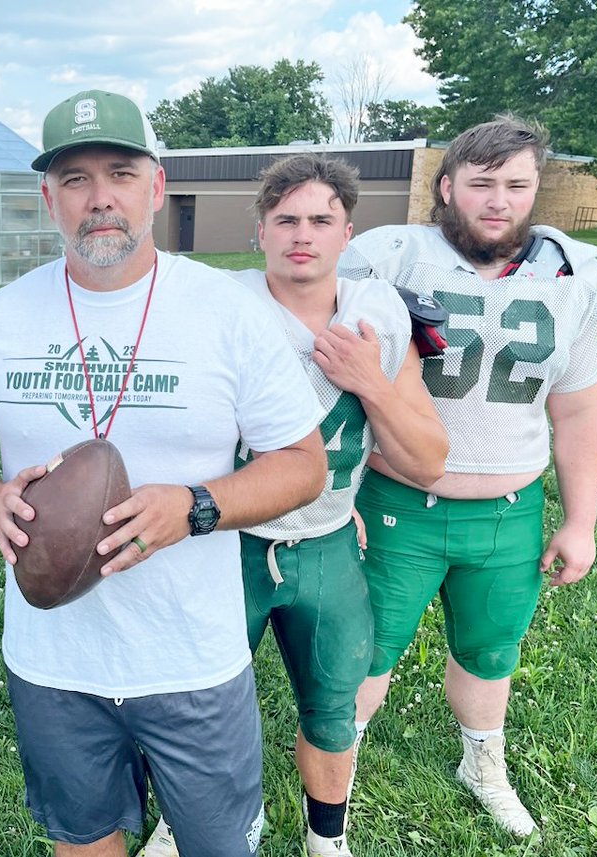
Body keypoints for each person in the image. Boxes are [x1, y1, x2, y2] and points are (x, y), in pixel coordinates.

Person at [0, 89, 329, 857]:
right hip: (52, 657)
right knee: (82, 839)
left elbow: (305, 464)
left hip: (191, 657)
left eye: (119, 172)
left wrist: (195, 507)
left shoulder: (223, 310)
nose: (99, 198)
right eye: (75, 179)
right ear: (48, 197)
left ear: (157, 187)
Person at [144, 154, 447, 857]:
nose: (301, 234)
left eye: (320, 219)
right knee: (194, 706)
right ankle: (176, 819)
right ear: (260, 231)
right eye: (286, 219)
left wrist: (370, 381)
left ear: (349, 233)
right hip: (225, 541)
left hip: (327, 541)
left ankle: (326, 838)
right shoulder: (217, 306)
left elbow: (429, 457)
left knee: (333, 707)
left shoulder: (377, 316)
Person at [338, 116, 597, 836]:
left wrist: (580, 520)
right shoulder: (390, 257)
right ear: (447, 186)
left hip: (508, 507)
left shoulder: (573, 275)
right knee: (365, 652)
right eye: (482, 183)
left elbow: (581, 407)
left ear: (536, 188)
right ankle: (336, 772)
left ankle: (482, 762)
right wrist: (335, 492)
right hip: (394, 498)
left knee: (491, 652)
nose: (499, 200)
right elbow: (330, 383)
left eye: (517, 185)